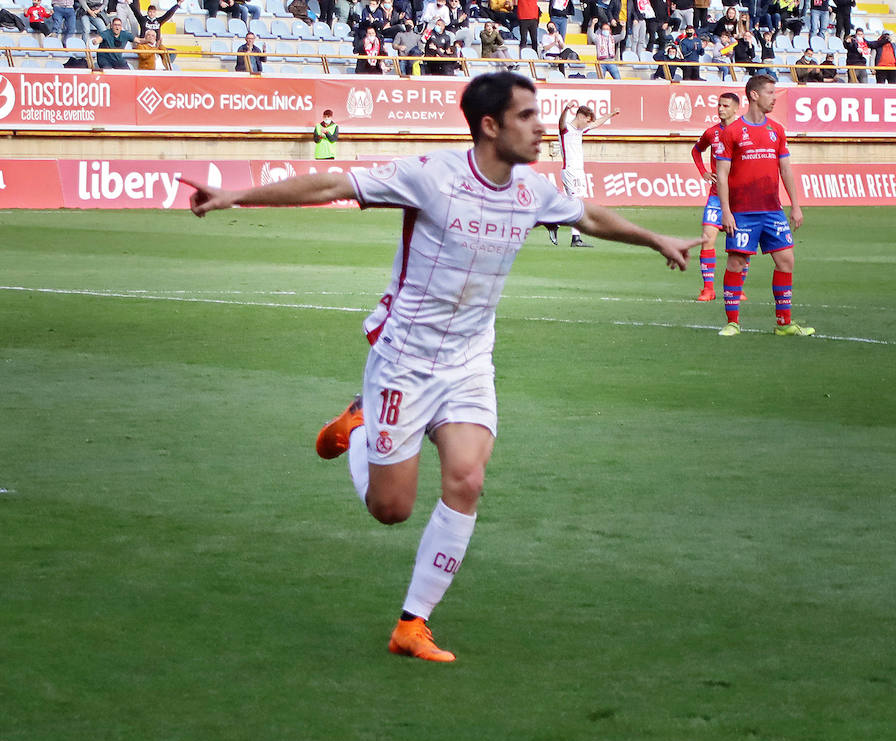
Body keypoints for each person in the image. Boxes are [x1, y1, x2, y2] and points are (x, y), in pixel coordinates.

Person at [179, 72, 698, 663]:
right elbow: (331, 183)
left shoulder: (530, 190)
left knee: (468, 480)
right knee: (391, 510)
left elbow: (588, 217)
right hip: (405, 360)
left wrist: (655, 238)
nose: (539, 129)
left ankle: (412, 625)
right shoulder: (431, 176)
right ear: (489, 126)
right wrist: (235, 195)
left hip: (470, 361)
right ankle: (360, 430)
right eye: (526, 116)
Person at [714, 74, 813, 337]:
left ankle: (784, 323)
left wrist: (795, 205)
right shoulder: (732, 132)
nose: (774, 98)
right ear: (754, 95)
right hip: (742, 212)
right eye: (770, 93)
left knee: (786, 261)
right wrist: (725, 211)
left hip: (772, 210)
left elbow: (785, 169)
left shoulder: (777, 130)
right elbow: (722, 174)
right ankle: (732, 322)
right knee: (736, 263)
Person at [689, 93, 743, 301]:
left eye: (725, 106)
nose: (720, 109)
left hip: (739, 198)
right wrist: (703, 171)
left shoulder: (744, 132)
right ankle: (708, 289)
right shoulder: (712, 133)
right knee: (707, 239)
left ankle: (737, 289)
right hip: (716, 196)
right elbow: (696, 150)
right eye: (719, 105)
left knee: (739, 246)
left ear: (736, 108)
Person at [550, 104, 620, 247]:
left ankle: (553, 222)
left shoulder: (580, 130)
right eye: (587, 120)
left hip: (578, 171)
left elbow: (597, 123)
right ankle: (575, 238)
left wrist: (611, 114)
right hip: (570, 171)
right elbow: (560, 122)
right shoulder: (566, 129)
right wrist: (565, 110)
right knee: (578, 204)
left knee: (573, 204)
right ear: (580, 116)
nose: (588, 123)